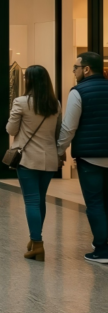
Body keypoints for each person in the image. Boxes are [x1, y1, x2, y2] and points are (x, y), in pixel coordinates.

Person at [6, 64, 62, 261]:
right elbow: (57, 132)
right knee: (40, 199)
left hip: (28, 158)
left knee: (31, 200)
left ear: (28, 81)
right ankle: (35, 239)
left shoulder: (21, 102)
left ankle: (37, 243)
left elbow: (11, 130)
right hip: (49, 158)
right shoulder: (55, 104)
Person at [58, 51, 108, 264]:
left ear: (86, 69)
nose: (74, 71)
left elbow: (69, 127)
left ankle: (102, 250)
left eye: (75, 68)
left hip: (91, 158)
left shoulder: (78, 92)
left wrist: (60, 149)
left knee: (95, 202)